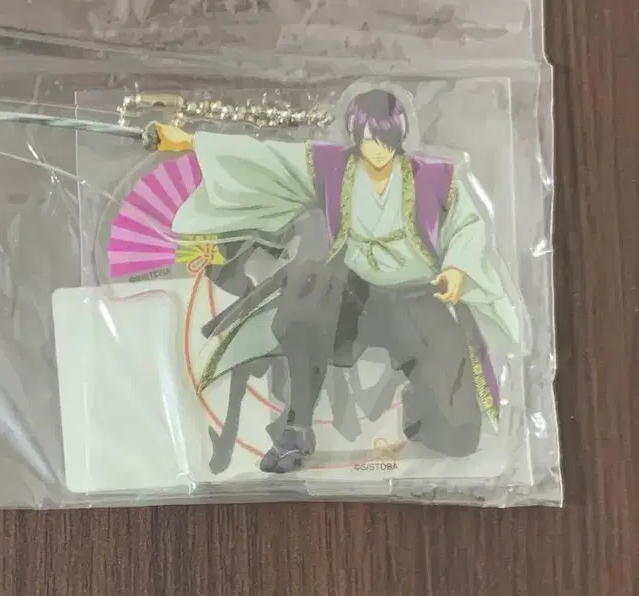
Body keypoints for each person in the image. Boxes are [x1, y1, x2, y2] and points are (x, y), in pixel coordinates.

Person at [154, 88, 522, 473]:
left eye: (385, 140)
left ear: (399, 137)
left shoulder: (433, 178)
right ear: (354, 137)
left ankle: (424, 405)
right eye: (367, 140)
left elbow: (466, 224)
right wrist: (190, 141)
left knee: (458, 434)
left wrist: (458, 267)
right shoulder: (334, 167)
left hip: (417, 298)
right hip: (357, 297)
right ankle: (297, 427)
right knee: (307, 286)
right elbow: (270, 159)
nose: (376, 150)